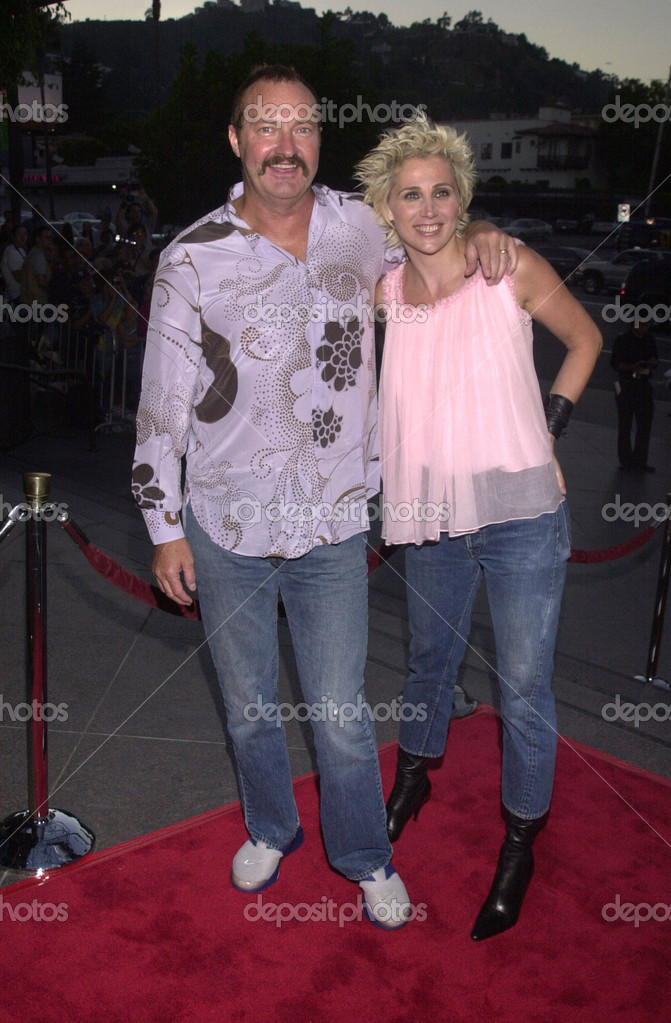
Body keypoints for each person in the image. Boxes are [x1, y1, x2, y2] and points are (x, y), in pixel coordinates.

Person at [132, 65, 516, 930]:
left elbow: (433, 231)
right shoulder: (189, 257)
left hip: (335, 524)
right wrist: (163, 527)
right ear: (237, 142)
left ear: (319, 139)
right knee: (249, 704)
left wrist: (482, 226)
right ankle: (270, 824)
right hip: (224, 523)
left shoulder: (359, 228)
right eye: (265, 127)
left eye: (301, 127)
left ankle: (365, 854)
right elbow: (159, 404)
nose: (284, 145)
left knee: (341, 714)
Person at [355, 120, 602, 939]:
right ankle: (416, 774)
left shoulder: (504, 263)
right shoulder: (383, 292)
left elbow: (583, 339)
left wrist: (548, 432)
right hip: (428, 514)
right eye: (410, 195)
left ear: (462, 198)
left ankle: (520, 840)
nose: (428, 208)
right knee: (429, 660)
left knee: (523, 684)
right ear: (387, 209)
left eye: (442, 192)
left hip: (522, 512)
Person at [610, 322, 658, 472]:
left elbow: (655, 360)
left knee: (644, 424)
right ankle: (626, 461)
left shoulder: (649, 339)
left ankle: (640, 460)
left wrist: (649, 363)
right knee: (625, 423)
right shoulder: (623, 340)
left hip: (643, 383)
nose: (644, 328)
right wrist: (633, 366)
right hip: (627, 383)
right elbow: (615, 363)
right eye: (642, 325)